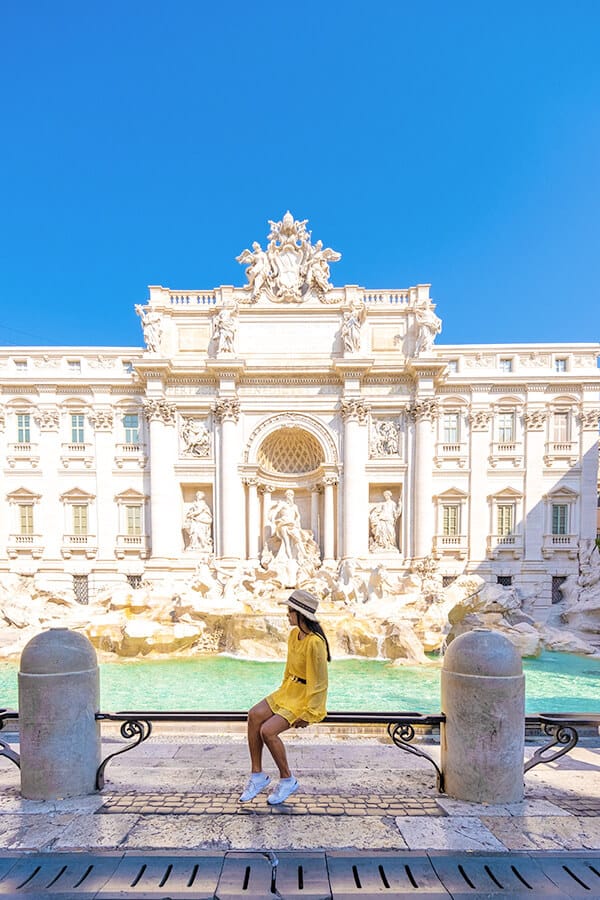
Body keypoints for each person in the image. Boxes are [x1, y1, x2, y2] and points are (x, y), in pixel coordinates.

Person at [240, 589, 330, 805]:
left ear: (300, 613)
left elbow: (319, 682)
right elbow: (289, 669)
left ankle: (287, 779)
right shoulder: (293, 634)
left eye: (290, 610)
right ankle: (257, 776)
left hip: (303, 697)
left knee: (267, 731)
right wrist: (281, 693)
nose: (287, 614)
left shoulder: (315, 642)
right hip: (289, 690)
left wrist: (310, 713)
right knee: (254, 715)